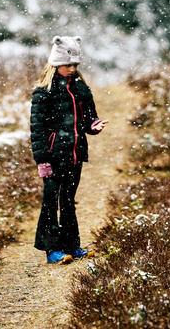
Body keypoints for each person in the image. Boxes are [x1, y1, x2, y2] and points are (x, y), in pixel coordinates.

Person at [29, 35, 108, 265]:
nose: (72, 69)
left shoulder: (81, 89)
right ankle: (52, 249)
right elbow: (37, 130)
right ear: (55, 63)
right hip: (53, 158)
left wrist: (94, 126)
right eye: (68, 65)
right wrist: (42, 160)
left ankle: (72, 246)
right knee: (50, 202)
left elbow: (88, 120)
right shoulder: (43, 93)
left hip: (75, 156)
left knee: (68, 201)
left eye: (75, 65)